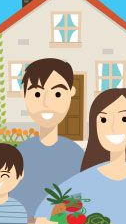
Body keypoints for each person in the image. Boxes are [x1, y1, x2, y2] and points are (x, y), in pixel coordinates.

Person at [33, 88, 126, 224]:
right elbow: (53, 197)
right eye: (103, 120)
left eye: (124, 119)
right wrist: (41, 221)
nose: (113, 128)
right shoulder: (89, 177)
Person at [12, 58, 84, 216]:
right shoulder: (22, 153)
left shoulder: (75, 154)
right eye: (37, 93)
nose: (46, 103)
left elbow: (81, 197)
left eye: (57, 93)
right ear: (24, 94)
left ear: (71, 93)